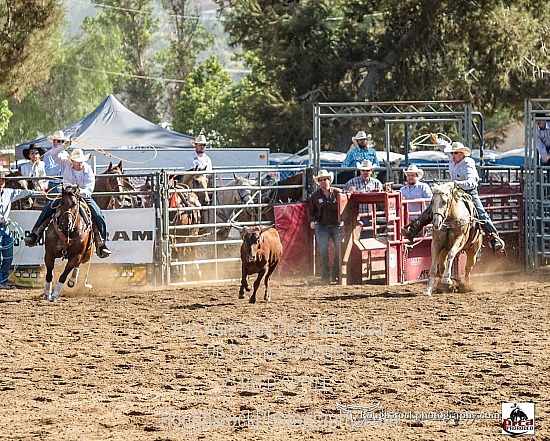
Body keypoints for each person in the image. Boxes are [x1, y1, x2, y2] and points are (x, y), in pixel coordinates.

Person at [401, 140, 505, 252]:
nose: (453, 155)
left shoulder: (468, 163)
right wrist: (437, 141)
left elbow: (472, 182)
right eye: (452, 153)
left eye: (455, 153)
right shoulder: (453, 159)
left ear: (462, 154)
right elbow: (445, 147)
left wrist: (458, 183)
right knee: (433, 207)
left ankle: (494, 237)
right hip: (454, 190)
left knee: (480, 213)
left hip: (468, 191)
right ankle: (413, 230)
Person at [23, 142, 112, 258]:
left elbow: (89, 189)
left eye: (80, 161)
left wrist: (79, 191)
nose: (79, 164)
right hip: (66, 195)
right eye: (77, 161)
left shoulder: (88, 171)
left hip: (82, 196)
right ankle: (35, 233)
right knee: (48, 208)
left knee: (98, 215)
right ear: (72, 161)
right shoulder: (66, 163)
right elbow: (53, 153)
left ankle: (101, 243)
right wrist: (64, 146)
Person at [0, 166, 43, 288]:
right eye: (0, 180)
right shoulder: (8, 192)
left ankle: (2, 281)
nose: (1, 182)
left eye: (2, 180)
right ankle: (0, 281)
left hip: (5, 227)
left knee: (8, 256)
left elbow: (22, 192)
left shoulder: (8, 192)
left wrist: (36, 192)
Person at [307, 170, 342, 284]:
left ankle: (336, 274)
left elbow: (346, 205)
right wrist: (312, 221)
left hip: (337, 226)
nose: (323, 182)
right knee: (323, 251)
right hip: (322, 226)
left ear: (329, 180)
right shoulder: (315, 196)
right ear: (319, 182)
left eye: (325, 179)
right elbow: (310, 211)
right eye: (321, 180)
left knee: (339, 250)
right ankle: (325, 276)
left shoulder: (338, 193)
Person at [344, 159, 383, 237]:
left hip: (371, 216)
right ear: (360, 171)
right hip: (356, 216)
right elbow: (343, 198)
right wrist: (349, 192)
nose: (365, 172)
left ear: (371, 171)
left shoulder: (377, 183)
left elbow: (381, 202)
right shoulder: (351, 183)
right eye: (363, 170)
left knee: (369, 239)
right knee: (356, 238)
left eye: (367, 170)